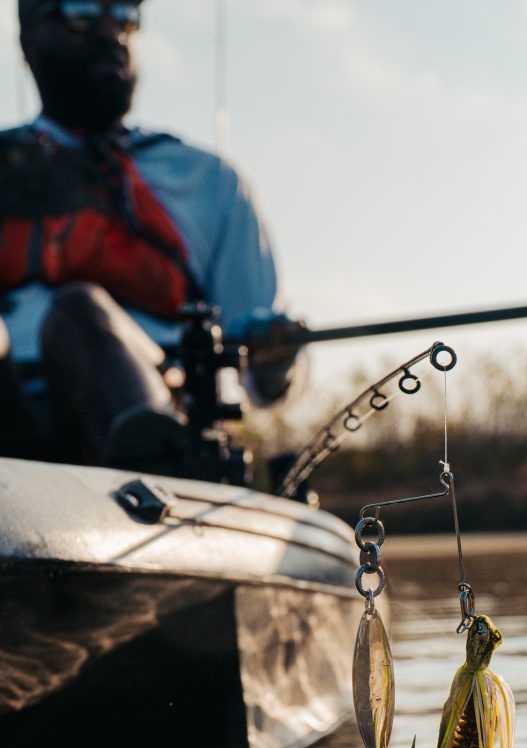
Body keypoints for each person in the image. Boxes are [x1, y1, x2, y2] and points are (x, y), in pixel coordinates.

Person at [0, 0, 304, 471]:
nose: (110, 35)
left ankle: (151, 466)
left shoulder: (208, 180)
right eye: (81, 14)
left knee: (80, 312)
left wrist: (277, 358)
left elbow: (267, 384)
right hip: (12, 417)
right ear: (28, 38)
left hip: (156, 412)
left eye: (124, 15)